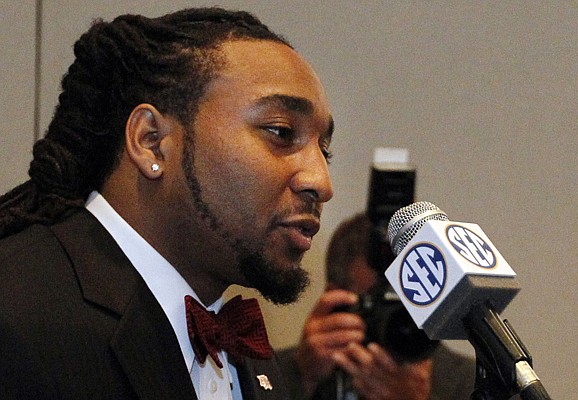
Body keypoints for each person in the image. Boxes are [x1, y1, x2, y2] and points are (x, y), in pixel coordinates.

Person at [0, 7, 334, 400]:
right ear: (151, 141)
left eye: (324, 151)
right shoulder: (16, 313)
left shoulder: (249, 356)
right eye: (280, 132)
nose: (321, 182)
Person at [278, 213, 476, 400]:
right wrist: (300, 378)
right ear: (336, 299)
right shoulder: (270, 373)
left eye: (412, 298)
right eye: (380, 301)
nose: (401, 315)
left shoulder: (472, 383)